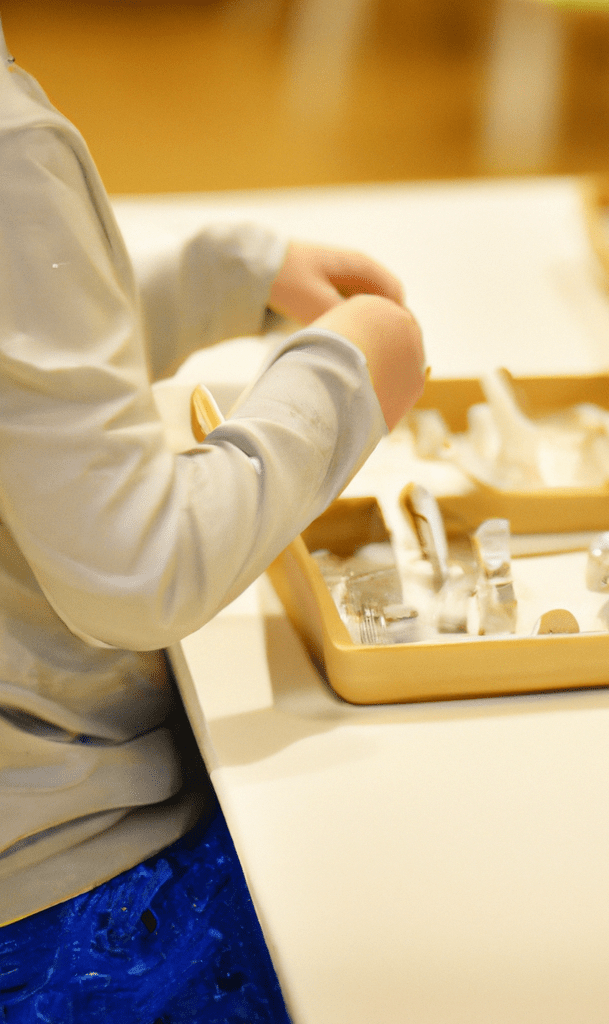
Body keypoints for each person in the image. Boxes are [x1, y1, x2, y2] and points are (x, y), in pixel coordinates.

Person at [0, 15, 426, 925]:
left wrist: (215, 283)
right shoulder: (8, 155)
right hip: (54, 879)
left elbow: (26, 372)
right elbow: (137, 572)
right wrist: (341, 383)